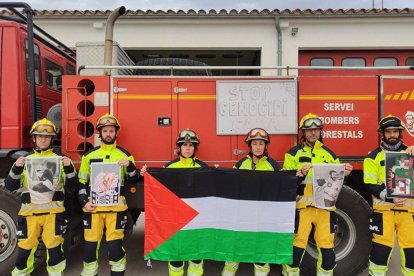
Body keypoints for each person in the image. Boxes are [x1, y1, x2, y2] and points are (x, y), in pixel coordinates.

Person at [281, 113, 352, 276]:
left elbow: (339, 184)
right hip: (303, 209)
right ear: (303, 133)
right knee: (296, 251)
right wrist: (299, 174)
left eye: (316, 130)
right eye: (309, 130)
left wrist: (345, 174)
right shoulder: (292, 154)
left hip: (325, 209)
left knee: (328, 253)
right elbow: (287, 181)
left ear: (321, 131)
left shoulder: (330, 154)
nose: (313, 133)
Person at [4, 118, 77, 276]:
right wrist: (16, 169)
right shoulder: (24, 161)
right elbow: (10, 186)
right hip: (30, 214)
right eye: (39, 136)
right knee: (25, 250)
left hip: (53, 214)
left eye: (47, 137)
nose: (43, 139)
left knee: (55, 249)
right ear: (34, 138)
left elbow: (73, 187)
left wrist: (69, 168)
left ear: (52, 139)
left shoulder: (61, 160)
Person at [78, 114, 138, 276]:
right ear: (100, 133)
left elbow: (133, 180)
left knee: (115, 248)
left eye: (111, 130)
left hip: (116, 210)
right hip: (93, 210)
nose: (108, 134)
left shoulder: (125, 155)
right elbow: (82, 182)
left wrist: (130, 165)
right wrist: (84, 202)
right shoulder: (88, 156)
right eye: (105, 131)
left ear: (116, 133)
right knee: (90, 249)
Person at [141, 129, 207, 276]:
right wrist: (146, 174)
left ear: (195, 148)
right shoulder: (169, 167)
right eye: (184, 145)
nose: (188, 148)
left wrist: (217, 173)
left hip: (196, 221)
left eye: (191, 145)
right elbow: (158, 189)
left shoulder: (204, 168)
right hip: (175, 222)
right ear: (179, 148)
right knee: (176, 259)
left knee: (196, 258)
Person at [222, 128, 281, 276]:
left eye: (261, 143)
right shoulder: (240, 164)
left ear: (265, 146)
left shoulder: (273, 166)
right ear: (250, 146)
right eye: (255, 143)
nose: (258, 147)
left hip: (263, 218)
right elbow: (230, 187)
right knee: (234, 252)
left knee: (261, 255)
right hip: (243, 217)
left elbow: (281, 188)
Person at [364, 115, 414, 276]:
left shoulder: (410, 153)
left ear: (400, 133)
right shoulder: (372, 157)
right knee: (380, 253)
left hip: (408, 214)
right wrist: (388, 196)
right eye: (388, 132)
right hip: (383, 213)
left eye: (395, 132)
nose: (392, 135)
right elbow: (369, 184)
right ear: (382, 134)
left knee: (411, 254)